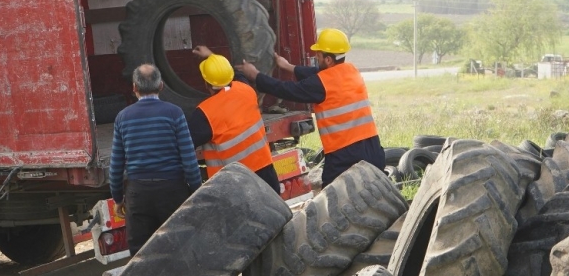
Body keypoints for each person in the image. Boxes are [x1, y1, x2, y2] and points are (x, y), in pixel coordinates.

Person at [238, 28, 385, 188]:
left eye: (319, 55)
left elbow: (285, 89)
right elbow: (318, 74)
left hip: (344, 155)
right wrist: (289, 67)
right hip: (372, 149)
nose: (316, 57)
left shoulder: (320, 84)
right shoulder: (351, 71)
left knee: (334, 201)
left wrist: (255, 75)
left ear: (328, 60)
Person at [109, 64, 202, 256]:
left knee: (141, 255)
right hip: (173, 191)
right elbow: (189, 158)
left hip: (138, 195)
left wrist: (118, 198)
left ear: (134, 87)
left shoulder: (122, 118)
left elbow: (116, 164)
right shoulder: (174, 113)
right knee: (179, 250)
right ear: (161, 85)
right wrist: (196, 189)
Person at [188, 46, 280, 194]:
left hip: (233, 184)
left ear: (206, 83)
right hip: (265, 173)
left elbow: (185, 145)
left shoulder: (204, 113)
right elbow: (234, 75)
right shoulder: (246, 90)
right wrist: (211, 55)